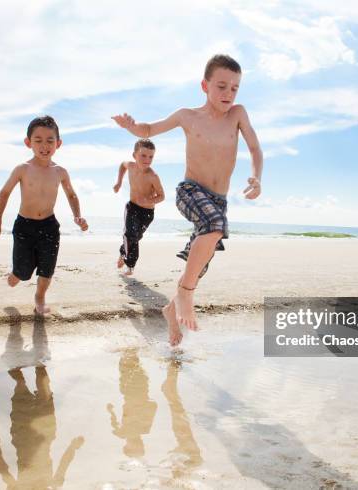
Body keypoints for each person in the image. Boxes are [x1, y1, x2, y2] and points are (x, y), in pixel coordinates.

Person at [112, 54, 263, 346]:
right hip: (190, 191)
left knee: (200, 262)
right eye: (221, 86)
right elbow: (148, 130)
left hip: (218, 201)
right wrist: (132, 127)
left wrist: (257, 176)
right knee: (214, 225)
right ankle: (186, 295)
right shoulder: (187, 116)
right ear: (204, 86)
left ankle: (171, 310)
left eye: (234, 88)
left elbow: (255, 149)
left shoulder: (238, 114)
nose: (228, 94)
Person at [0, 115, 88, 315]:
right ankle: (17, 273)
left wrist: (78, 216)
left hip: (49, 226)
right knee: (22, 273)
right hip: (24, 226)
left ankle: (40, 297)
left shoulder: (60, 172)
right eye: (38, 140)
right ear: (28, 142)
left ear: (58, 143)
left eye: (50, 140)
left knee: (47, 268)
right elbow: (4, 194)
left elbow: (72, 195)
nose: (44, 145)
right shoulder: (22, 169)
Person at [113, 138, 165, 275]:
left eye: (151, 156)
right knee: (129, 234)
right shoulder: (130, 165)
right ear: (134, 155)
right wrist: (118, 182)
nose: (147, 159)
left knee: (135, 237)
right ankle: (130, 265)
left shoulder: (153, 176)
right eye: (143, 155)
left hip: (147, 213)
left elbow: (162, 196)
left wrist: (148, 200)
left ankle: (122, 252)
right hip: (131, 207)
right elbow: (122, 165)